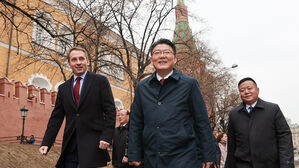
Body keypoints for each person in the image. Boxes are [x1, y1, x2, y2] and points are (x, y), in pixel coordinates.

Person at [128, 38, 216, 168]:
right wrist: (134, 153)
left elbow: (202, 121)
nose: (162, 56)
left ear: (174, 59)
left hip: (184, 157)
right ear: (151, 60)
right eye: (157, 53)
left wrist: (208, 154)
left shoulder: (189, 84)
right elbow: (136, 123)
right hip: (152, 158)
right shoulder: (142, 87)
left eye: (166, 52)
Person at [39, 46, 116, 168]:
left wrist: (106, 136)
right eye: (74, 60)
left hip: (93, 144)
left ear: (87, 61)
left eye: (81, 59)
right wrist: (47, 142)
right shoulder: (63, 88)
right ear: (69, 64)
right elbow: (56, 117)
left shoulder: (100, 81)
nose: (78, 62)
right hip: (70, 145)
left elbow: (110, 110)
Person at [227, 77, 294, 168]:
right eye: (242, 90)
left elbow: (284, 137)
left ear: (257, 90)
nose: (246, 92)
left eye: (249, 88)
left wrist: (286, 164)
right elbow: (231, 145)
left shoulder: (273, 109)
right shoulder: (234, 114)